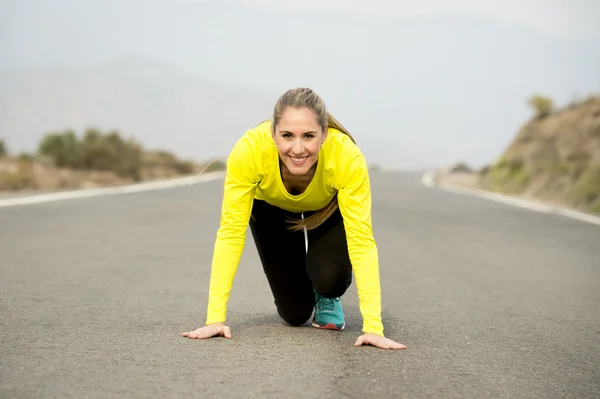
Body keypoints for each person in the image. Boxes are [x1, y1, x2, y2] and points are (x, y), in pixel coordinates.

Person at [182, 87, 406, 350]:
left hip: (326, 209)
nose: (297, 149)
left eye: (308, 136)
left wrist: (373, 327)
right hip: (270, 210)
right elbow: (230, 233)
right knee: (295, 314)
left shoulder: (346, 156)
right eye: (287, 135)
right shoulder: (250, 150)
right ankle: (303, 288)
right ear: (273, 133)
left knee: (329, 279)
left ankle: (325, 295)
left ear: (324, 134)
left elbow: (362, 242)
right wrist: (214, 319)